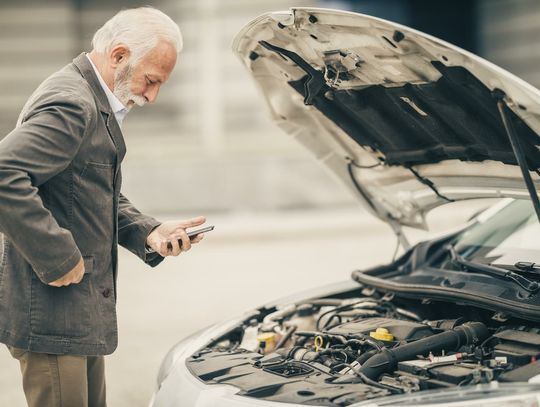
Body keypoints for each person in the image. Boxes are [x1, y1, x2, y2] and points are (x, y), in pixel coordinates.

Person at [0, 7, 205, 407]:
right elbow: (4, 174)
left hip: (74, 313)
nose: (151, 96)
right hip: (53, 315)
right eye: (151, 80)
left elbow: (86, 187)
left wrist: (148, 230)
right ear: (119, 55)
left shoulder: (89, 96)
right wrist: (57, 256)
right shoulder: (73, 102)